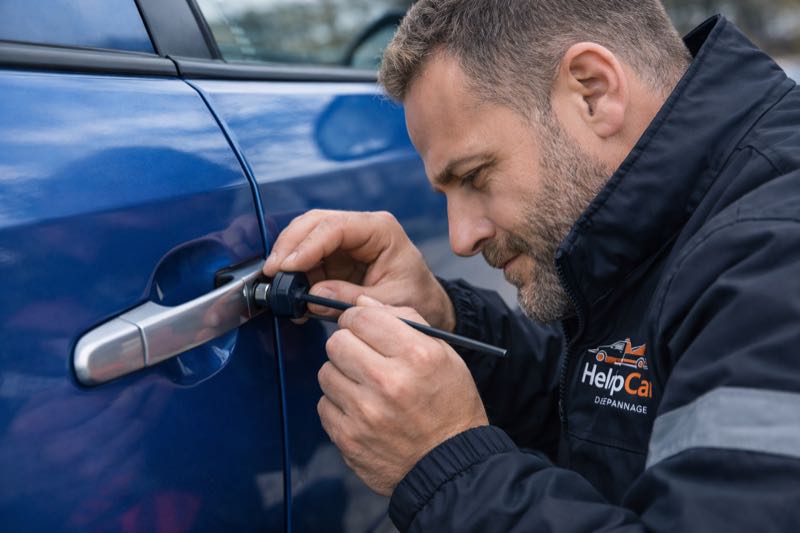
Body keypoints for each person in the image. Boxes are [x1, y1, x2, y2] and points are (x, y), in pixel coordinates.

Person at [263, 0, 800, 530]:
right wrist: (447, 320)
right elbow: (618, 424)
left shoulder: (775, 256)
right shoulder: (693, 222)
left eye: (474, 176)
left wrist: (449, 467)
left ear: (593, 91)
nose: (461, 238)